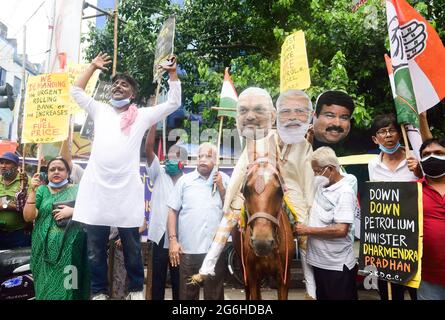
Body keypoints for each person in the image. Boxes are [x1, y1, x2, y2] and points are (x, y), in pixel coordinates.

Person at [70, 52, 181, 300]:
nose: (118, 86)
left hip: (126, 190)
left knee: (131, 245)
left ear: (132, 95)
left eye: (125, 84)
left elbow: (173, 103)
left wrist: (172, 74)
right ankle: (99, 293)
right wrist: (92, 67)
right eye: (115, 84)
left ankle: (135, 290)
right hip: (97, 188)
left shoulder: (141, 115)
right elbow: (76, 92)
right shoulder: (99, 110)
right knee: (95, 247)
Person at [193, 88, 316, 300]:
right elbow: (242, 168)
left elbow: (291, 158)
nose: (251, 116)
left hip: (279, 183)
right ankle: (208, 266)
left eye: (258, 110)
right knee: (228, 219)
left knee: (304, 226)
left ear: (271, 115)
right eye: (245, 112)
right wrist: (231, 198)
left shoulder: (279, 136)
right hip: (253, 182)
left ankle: (310, 286)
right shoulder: (249, 140)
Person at [368, 114, 421, 300]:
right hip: (388, 241)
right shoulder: (373, 164)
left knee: (418, 290)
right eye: (382, 132)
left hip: (415, 238)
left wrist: (420, 171)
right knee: (390, 292)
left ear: (400, 134)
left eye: (392, 130)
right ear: (376, 139)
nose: (388, 135)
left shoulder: (415, 159)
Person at [167, 143, 229, 300]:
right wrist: (173, 241)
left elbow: (232, 210)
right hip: (188, 250)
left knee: (214, 296)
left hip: (214, 251)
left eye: (208, 156)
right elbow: (172, 211)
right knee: (187, 296)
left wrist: (221, 187)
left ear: (216, 160)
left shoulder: (224, 180)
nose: (203, 160)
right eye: (200, 156)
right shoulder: (185, 181)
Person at [296, 147, 358, 300]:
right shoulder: (321, 185)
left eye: (317, 171)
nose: (315, 175)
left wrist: (307, 230)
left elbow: (341, 230)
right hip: (319, 263)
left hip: (336, 267)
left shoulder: (344, 192)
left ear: (330, 169)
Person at [23, 157, 89, 300]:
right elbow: (29, 216)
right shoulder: (42, 191)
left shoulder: (78, 190)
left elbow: (93, 209)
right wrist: (32, 191)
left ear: (68, 173)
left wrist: (73, 211)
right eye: (52, 169)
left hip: (71, 252)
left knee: (70, 288)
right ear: (47, 174)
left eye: (61, 169)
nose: (56, 172)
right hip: (43, 253)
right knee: (45, 289)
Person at [145, 123, 185, 300]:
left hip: (180, 238)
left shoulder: (188, 182)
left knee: (179, 280)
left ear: (182, 161)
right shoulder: (159, 173)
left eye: (174, 157)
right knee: (157, 280)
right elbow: (148, 148)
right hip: (160, 235)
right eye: (168, 157)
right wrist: (153, 122)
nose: (169, 160)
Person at [417, 138, 445, 300]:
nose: (431, 157)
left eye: (438, 153)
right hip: (428, 278)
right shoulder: (411, 192)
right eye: (426, 154)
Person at [0, 152, 31, 249]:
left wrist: (6, 206)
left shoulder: (25, 181)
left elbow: (30, 207)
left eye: (7, 163)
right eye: (1, 163)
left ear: (16, 166)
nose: (3, 166)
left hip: (19, 234)